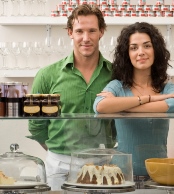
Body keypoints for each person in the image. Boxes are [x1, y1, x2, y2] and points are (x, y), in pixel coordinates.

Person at [27, 5, 116, 190]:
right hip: (59, 166)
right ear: (70, 33)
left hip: (102, 164)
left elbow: (120, 122)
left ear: (101, 32)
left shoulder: (116, 74)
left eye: (92, 31)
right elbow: (35, 125)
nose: (86, 38)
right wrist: (58, 150)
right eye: (79, 31)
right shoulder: (46, 75)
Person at [93, 22, 174, 187]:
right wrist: (148, 99)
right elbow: (100, 106)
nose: (141, 52)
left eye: (147, 46)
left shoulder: (166, 86)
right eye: (134, 48)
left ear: (156, 50)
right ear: (127, 54)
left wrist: (120, 106)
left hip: (159, 175)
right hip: (120, 176)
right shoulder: (118, 86)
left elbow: (173, 105)